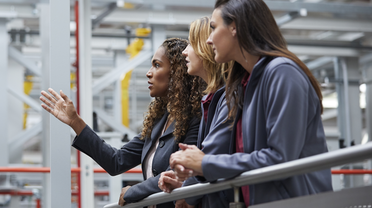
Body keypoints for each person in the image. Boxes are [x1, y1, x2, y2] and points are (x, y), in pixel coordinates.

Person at [167, 0, 333, 207]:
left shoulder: (282, 73)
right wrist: (196, 171)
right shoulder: (244, 84)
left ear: (234, 27)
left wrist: (205, 163)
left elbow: (280, 158)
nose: (209, 40)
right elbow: (243, 157)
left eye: (213, 28)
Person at [39, 38, 205, 208]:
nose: (149, 73)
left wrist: (133, 192)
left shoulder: (195, 119)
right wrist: (75, 122)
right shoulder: (158, 123)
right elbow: (116, 161)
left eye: (157, 65)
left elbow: (177, 173)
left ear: (177, 73)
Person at [157, 17, 234, 208]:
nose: (185, 52)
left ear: (206, 47)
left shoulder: (227, 98)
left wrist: (187, 192)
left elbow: (209, 157)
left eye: (191, 44)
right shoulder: (209, 101)